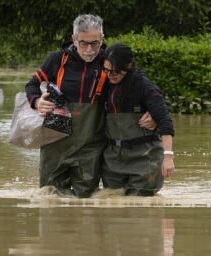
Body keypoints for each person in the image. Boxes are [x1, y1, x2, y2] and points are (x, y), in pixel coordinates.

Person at [25, 15, 156, 198]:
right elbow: (31, 85)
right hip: (54, 143)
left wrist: (154, 111)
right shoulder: (57, 60)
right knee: (49, 197)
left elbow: (143, 86)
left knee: (85, 202)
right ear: (74, 39)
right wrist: (37, 101)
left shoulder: (110, 61)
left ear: (102, 38)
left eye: (95, 43)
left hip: (91, 146)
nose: (89, 50)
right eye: (83, 43)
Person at [101, 43, 175, 196]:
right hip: (113, 161)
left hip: (144, 160)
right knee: (111, 205)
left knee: (140, 209)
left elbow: (165, 122)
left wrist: (168, 158)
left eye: (114, 71)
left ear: (128, 66)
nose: (110, 75)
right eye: (106, 70)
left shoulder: (144, 86)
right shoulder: (104, 84)